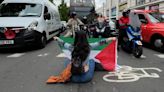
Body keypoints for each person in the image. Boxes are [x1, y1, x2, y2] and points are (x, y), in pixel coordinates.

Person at [49, 31, 116, 83]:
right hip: (86, 77)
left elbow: (63, 43)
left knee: (67, 60)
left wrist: (57, 38)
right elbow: (100, 43)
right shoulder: (89, 47)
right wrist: (110, 38)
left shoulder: (71, 47)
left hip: (73, 77)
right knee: (91, 60)